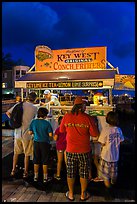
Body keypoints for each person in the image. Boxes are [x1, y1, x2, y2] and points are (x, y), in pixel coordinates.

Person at [60, 96, 100, 201]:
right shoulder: (88, 118)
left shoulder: (67, 116)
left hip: (70, 150)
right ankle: (83, 194)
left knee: (70, 172)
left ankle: (71, 194)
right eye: (85, 105)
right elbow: (95, 134)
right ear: (82, 106)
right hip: (84, 150)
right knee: (84, 173)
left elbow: (61, 130)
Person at [6, 92, 38, 179]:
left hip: (17, 133)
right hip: (27, 134)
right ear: (35, 99)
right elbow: (36, 119)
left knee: (16, 153)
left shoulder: (19, 105)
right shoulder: (35, 108)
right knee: (27, 154)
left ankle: (13, 170)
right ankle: (25, 172)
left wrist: (14, 121)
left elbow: (8, 113)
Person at [97, 111, 124, 192]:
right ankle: (113, 184)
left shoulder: (105, 130)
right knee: (114, 174)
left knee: (105, 176)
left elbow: (101, 142)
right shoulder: (118, 130)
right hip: (115, 157)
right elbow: (121, 140)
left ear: (107, 119)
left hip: (106, 156)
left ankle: (108, 190)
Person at [28, 107, 53, 183]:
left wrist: (35, 133)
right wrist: (50, 139)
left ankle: (36, 177)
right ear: (45, 115)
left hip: (36, 142)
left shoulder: (33, 122)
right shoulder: (47, 123)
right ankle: (45, 178)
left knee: (36, 159)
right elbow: (50, 134)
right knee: (45, 160)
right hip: (45, 143)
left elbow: (30, 132)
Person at [53, 116, 67, 180]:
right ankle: (69, 175)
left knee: (59, 161)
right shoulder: (68, 129)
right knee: (67, 162)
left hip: (60, 147)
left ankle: (58, 175)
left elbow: (55, 138)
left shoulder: (58, 129)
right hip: (67, 147)